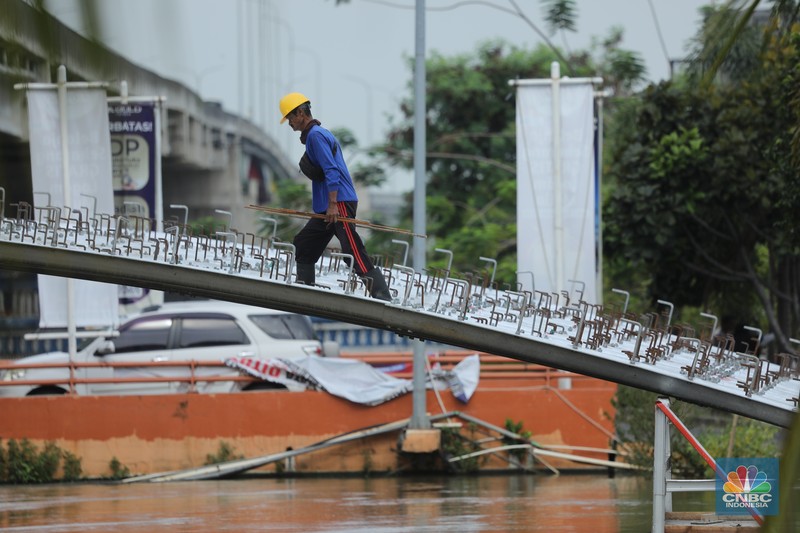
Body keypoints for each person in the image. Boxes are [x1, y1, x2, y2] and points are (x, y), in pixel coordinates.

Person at [278, 92, 392, 302]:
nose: (290, 123)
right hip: (327, 206)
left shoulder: (316, 135)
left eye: (290, 118)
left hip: (338, 202)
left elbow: (332, 171)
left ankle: (382, 295)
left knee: (352, 249)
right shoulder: (315, 135)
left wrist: (333, 205)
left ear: (301, 113)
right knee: (304, 243)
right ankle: (305, 291)